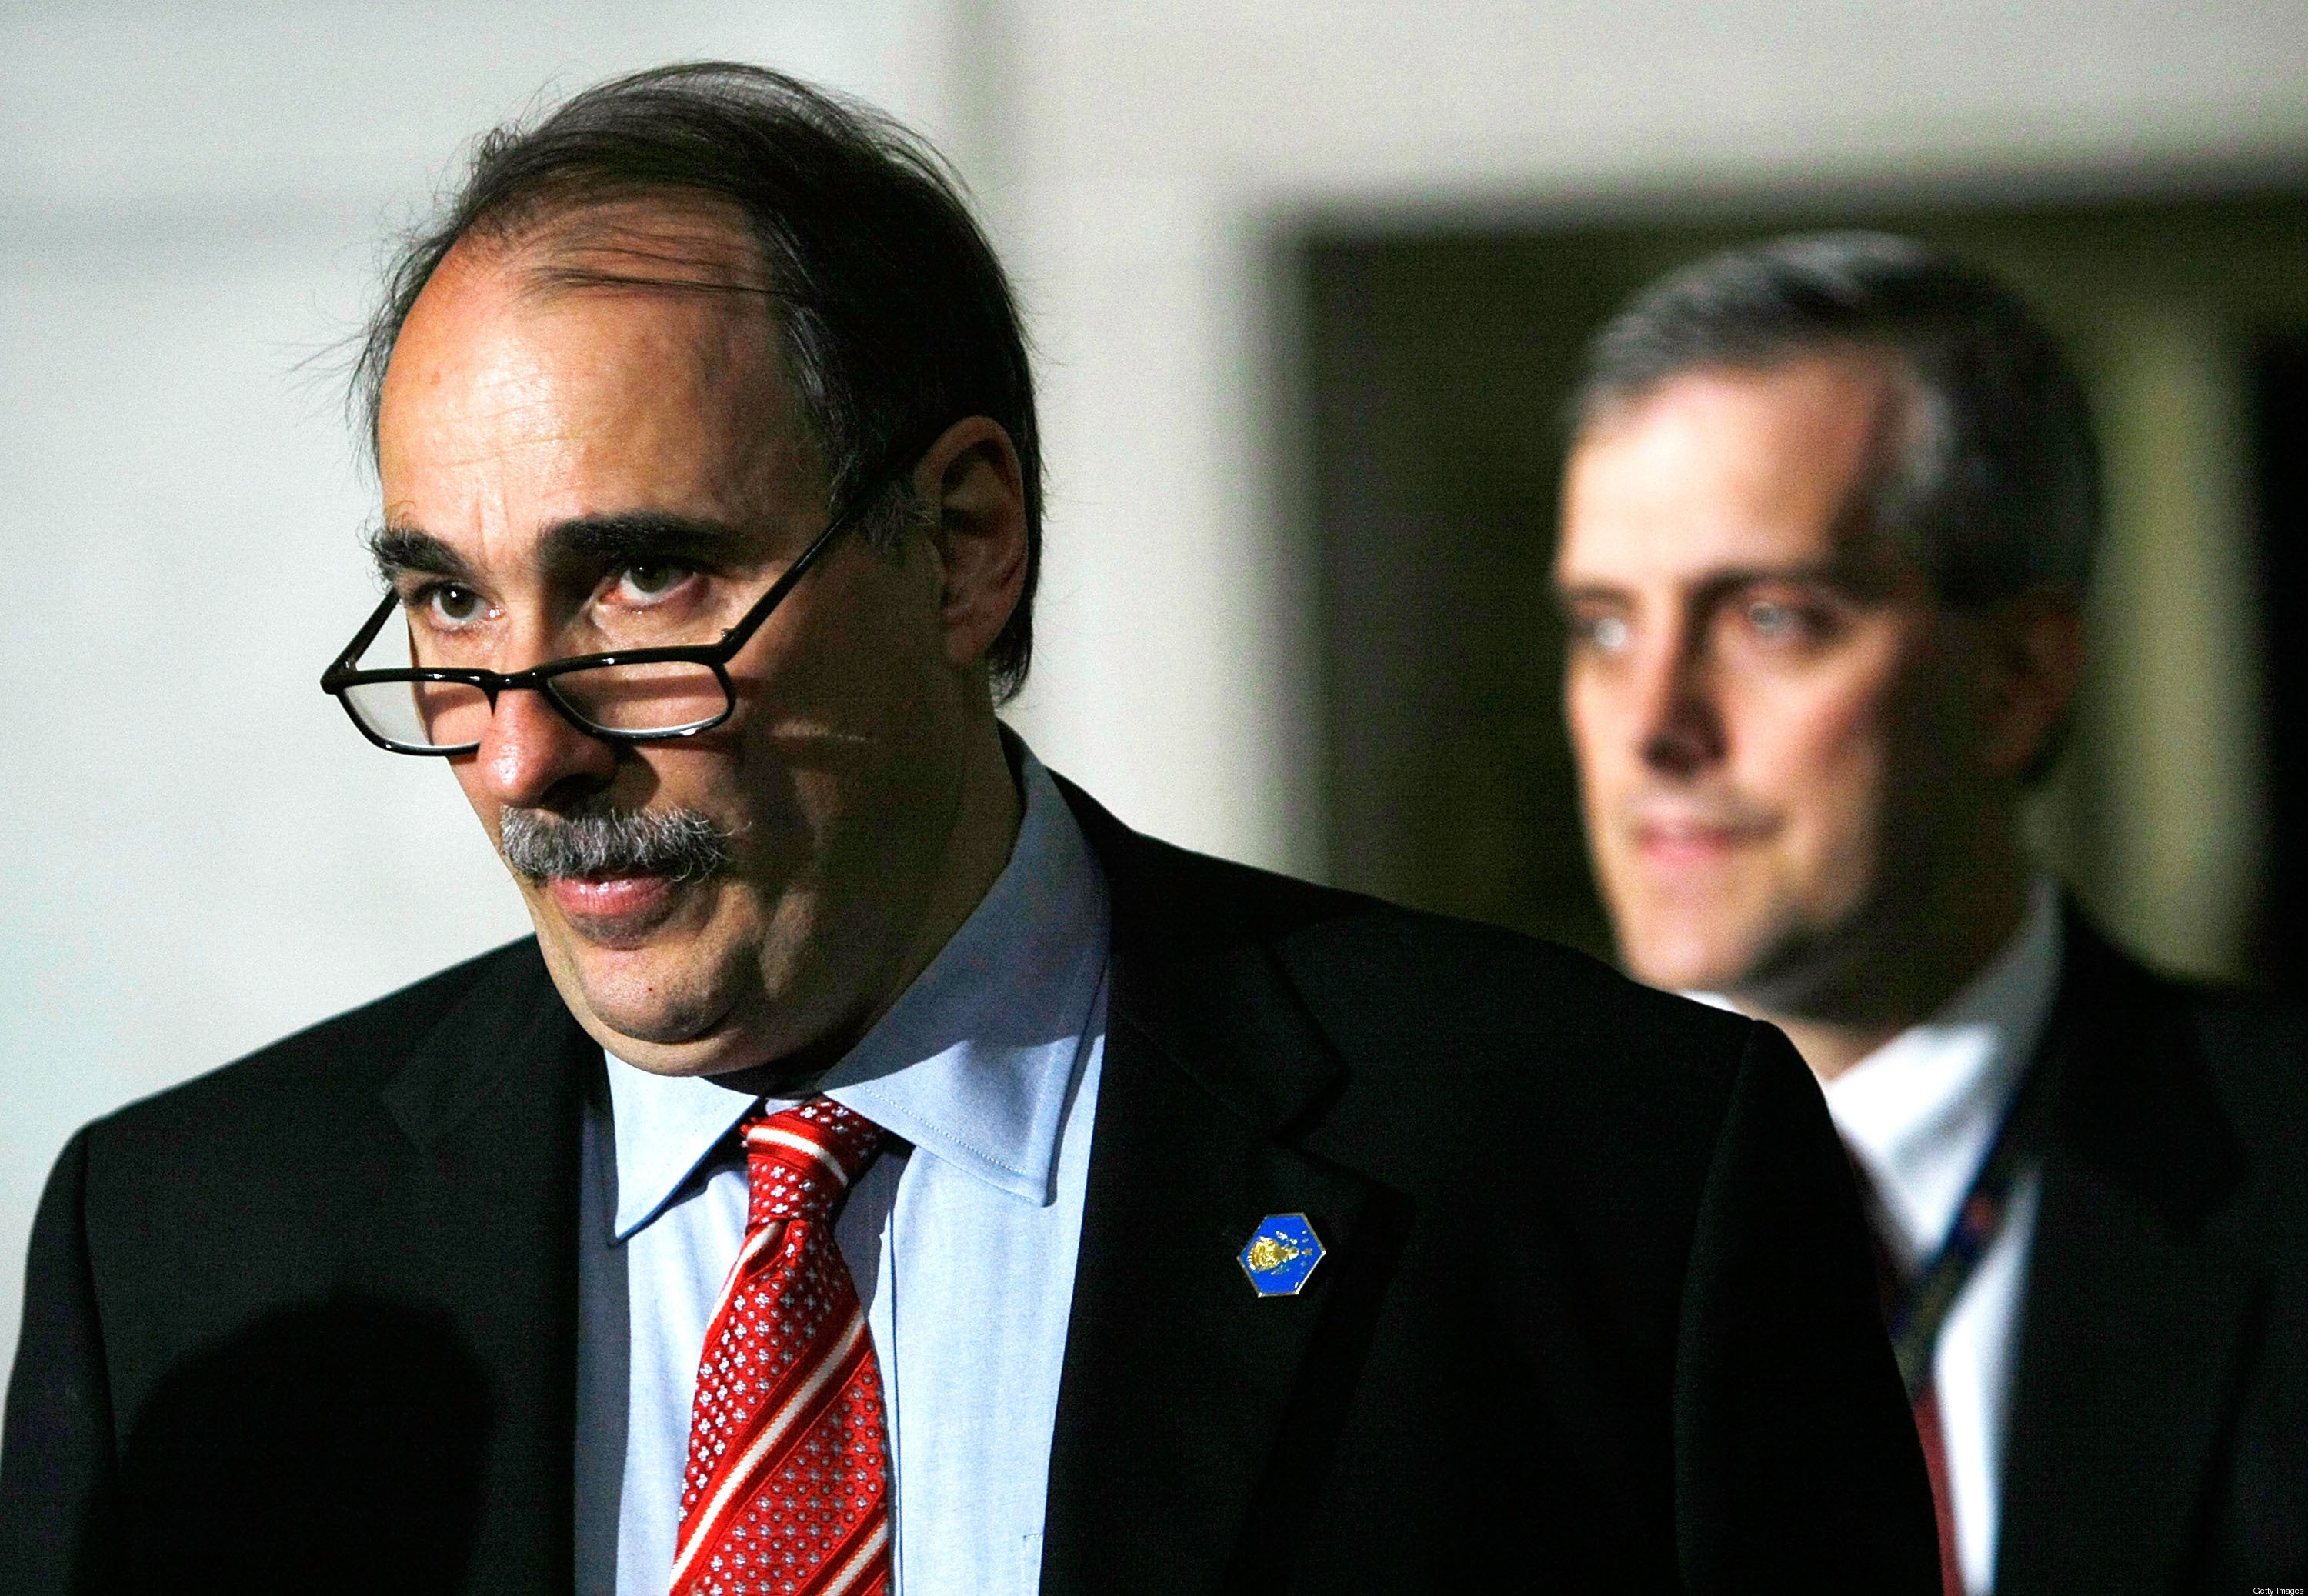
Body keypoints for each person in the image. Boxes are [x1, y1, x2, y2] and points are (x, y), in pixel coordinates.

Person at [1, 68, 1936, 1594]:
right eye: (448, 605)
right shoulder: (185, 1254)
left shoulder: (1606, 1175)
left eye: (648, 582)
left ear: (963, 542)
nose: (522, 754)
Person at [1555, 232, 2308, 1595]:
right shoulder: (1452, 1201)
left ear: (2019, 678)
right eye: (1605, 627)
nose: (1651, 726)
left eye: (1771, 618)